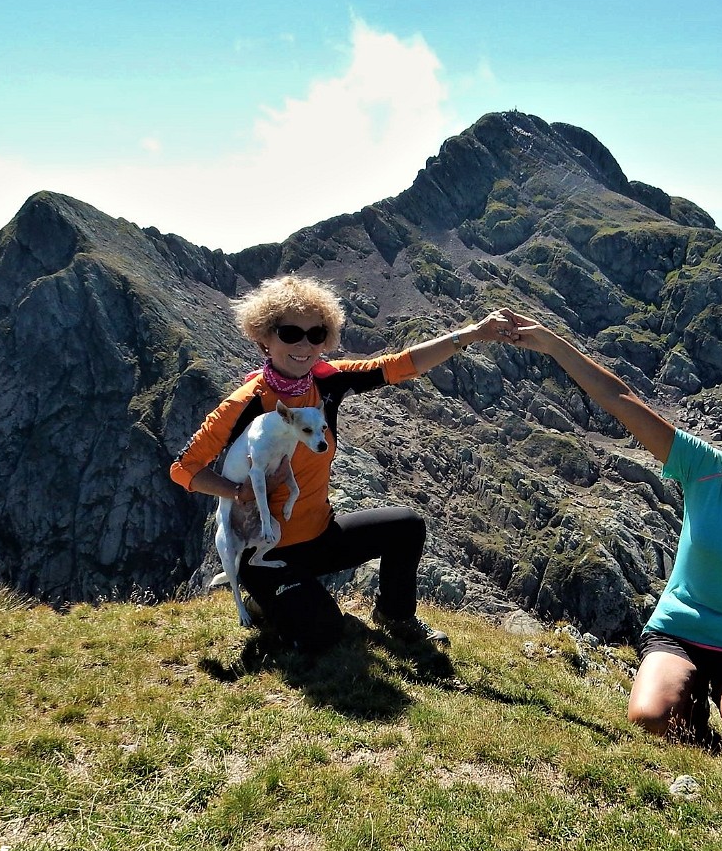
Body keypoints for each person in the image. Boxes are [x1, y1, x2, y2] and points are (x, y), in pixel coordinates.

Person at [502, 308, 722, 766]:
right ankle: (687, 700)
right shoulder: (702, 467)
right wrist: (553, 344)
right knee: (651, 719)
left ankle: (720, 708)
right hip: (679, 632)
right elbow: (620, 399)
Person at [170, 275, 520, 653]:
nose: (304, 345)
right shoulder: (246, 404)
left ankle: (395, 616)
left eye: (316, 334)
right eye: (289, 333)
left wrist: (473, 333)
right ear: (264, 339)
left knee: (406, 527)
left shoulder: (327, 382)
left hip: (321, 535)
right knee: (325, 636)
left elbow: (400, 365)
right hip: (268, 553)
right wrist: (238, 492)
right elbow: (184, 469)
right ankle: (263, 598)